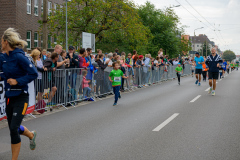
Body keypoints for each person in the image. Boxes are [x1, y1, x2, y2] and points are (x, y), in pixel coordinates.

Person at [0, 28, 38, 160]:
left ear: (5, 42)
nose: (1, 42)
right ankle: (31, 135)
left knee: (13, 128)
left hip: (21, 96)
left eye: (1, 40)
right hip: (9, 97)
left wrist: (17, 81)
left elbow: (34, 73)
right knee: (12, 127)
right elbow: (2, 74)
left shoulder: (20, 56)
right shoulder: (3, 57)